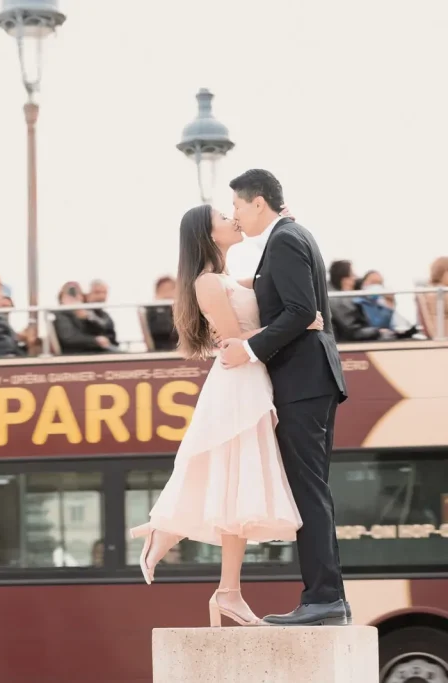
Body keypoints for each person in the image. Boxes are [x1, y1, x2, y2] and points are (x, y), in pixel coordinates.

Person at [129, 203, 324, 627]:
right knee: (236, 483)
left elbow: (266, 298)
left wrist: (280, 218)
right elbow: (237, 342)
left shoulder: (225, 278)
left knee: (239, 489)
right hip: (238, 383)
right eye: (222, 216)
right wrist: (302, 325)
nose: (231, 219)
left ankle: (226, 589)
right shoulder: (206, 284)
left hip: (252, 383)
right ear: (207, 232)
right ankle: (186, 550)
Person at [219, 169, 351, 627]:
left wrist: (250, 348)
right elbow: (301, 311)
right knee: (313, 490)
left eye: (237, 205)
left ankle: (323, 599)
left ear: (259, 203)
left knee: (309, 490)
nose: (234, 214)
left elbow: (300, 310)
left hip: (303, 381)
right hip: (311, 378)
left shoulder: (285, 240)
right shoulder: (293, 237)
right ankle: (325, 597)